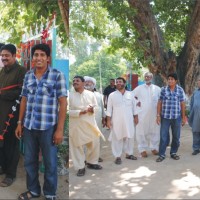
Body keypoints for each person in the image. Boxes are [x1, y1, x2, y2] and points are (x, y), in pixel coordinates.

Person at [15, 43, 68, 200]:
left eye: (42, 55)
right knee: (30, 161)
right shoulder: (28, 76)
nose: (38, 58)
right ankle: (33, 190)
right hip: (29, 127)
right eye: (36, 55)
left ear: (48, 58)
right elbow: (24, 99)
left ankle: (50, 193)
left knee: (50, 162)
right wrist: (19, 123)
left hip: (48, 128)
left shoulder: (57, 75)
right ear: (33, 58)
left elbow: (63, 103)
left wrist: (59, 130)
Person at [0, 44, 26, 187]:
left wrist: (3, 93)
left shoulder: (22, 71)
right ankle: (3, 167)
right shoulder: (2, 72)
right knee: (1, 144)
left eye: (6, 55)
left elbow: (23, 92)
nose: (4, 58)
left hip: (13, 114)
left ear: (14, 55)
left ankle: (11, 175)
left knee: (11, 144)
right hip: (0, 113)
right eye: (2, 55)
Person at [69, 76, 103, 177]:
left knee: (94, 142)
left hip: (90, 123)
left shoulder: (90, 94)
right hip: (76, 125)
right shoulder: (69, 95)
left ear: (83, 83)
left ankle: (92, 162)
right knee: (77, 146)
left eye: (77, 81)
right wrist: (80, 112)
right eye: (74, 81)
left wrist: (92, 109)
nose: (75, 82)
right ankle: (80, 167)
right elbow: (66, 111)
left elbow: (97, 107)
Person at [106, 77, 139, 165]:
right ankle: (117, 156)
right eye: (117, 82)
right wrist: (108, 120)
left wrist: (136, 117)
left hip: (129, 119)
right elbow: (109, 109)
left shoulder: (130, 94)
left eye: (120, 82)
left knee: (130, 136)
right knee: (117, 137)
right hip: (116, 120)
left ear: (124, 83)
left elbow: (134, 107)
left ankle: (129, 154)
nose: (118, 83)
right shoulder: (112, 95)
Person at [156, 73, 186, 162]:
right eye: (169, 79)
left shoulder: (180, 90)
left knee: (176, 136)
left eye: (172, 79)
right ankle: (161, 154)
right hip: (165, 117)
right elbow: (159, 103)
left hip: (176, 117)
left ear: (176, 81)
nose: (170, 81)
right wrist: (158, 115)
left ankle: (173, 152)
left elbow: (182, 104)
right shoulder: (163, 90)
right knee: (163, 136)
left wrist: (183, 117)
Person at [132, 72, 161, 158]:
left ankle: (154, 148)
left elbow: (161, 100)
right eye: (146, 77)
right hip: (142, 114)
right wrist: (137, 102)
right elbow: (131, 96)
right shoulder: (139, 88)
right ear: (144, 78)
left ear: (152, 78)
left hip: (154, 114)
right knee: (141, 131)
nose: (147, 78)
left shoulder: (157, 89)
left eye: (149, 77)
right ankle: (142, 149)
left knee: (155, 131)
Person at [84, 76, 106, 162]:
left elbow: (102, 106)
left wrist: (104, 118)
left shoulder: (99, 95)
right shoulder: (82, 94)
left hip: (97, 120)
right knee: (86, 138)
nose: (87, 83)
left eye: (90, 82)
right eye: (86, 82)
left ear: (93, 84)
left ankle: (96, 156)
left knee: (98, 138)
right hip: (85, 120)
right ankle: (86, 158)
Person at [188, 76, 200, 155]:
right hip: (196, 115)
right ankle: (196, 148)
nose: (199, 82)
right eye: (199, 81)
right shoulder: (195, 92)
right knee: (195, 131)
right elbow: (192, 104)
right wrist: (190, 114)